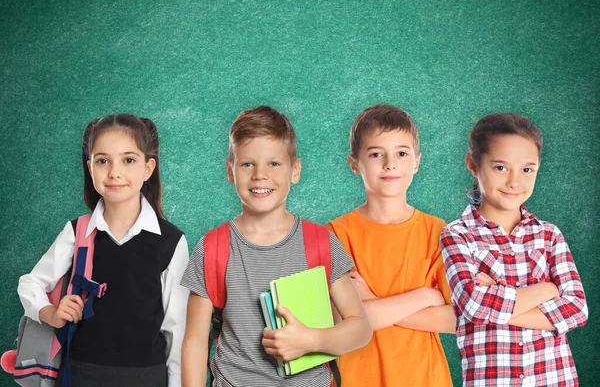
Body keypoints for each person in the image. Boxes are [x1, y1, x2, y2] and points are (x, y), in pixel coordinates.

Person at [180, 106, 372, 387]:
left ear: (295, 170)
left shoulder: (321, 242)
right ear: (230, 171)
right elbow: (195, 343)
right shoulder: (212, 248)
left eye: (274, 163)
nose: (260, 175)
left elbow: (361, 329)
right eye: (247, 164)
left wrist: (312, 340)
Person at [18, 114, 189, 387]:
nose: (114, 172)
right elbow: (30, 283)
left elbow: (177, 330)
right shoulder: (77, 232)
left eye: (129, 160)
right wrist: (50, 312)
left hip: (146, 377)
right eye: (102, 160)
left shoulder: (170, 240)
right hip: (82, 373)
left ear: (148, 168)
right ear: (90, 167)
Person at [441, 112, 588, 386]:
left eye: (527, 169)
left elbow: (577, 309)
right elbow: (474, 305)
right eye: (500, 167)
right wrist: (546, 291)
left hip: (556, 379)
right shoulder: (458, 235)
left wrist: (497, 303)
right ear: (473, 164)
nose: (514, 182)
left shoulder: (549, 235)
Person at [327, 104, 455, 387]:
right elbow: (340, 322)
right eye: (376, 154)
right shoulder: (335, 234)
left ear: (417, 161)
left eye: (401, 153)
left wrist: (370, 307)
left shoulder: (438, 232)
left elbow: (460, 320)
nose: (390, 163)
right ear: (354, 163)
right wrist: (424, 295)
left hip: (425, 379)